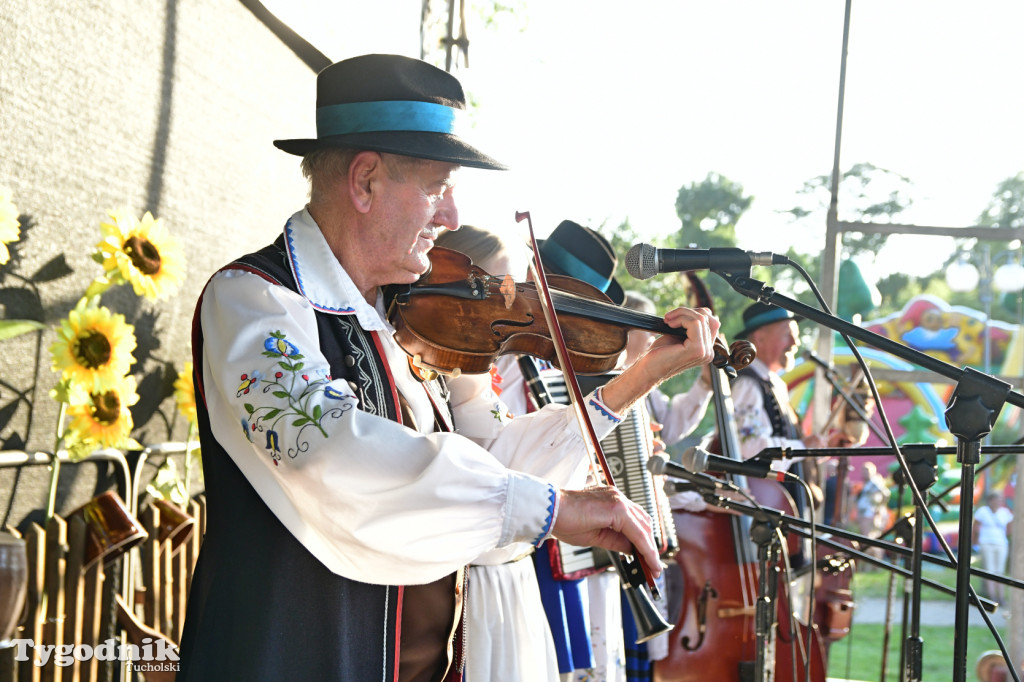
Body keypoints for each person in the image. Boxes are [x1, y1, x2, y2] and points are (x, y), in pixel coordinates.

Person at [177, 54, 719, 682]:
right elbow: (329, 454)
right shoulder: (255, 299)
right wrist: (549, 507)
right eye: (438, 186)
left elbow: (497, 467)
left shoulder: (412, 321)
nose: (452, 217)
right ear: (366, 182)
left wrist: (643, 374)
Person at [973, 490, 1013, 602]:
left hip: (1001, 543)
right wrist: (974, 542)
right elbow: (975, 527)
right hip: (986, 542)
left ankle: (1001, 596)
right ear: (990, 501)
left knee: (999, 571)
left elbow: (1009, 528)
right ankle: (992, 597)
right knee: (989, 570)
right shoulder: (983, 511)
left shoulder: (1005, 512)